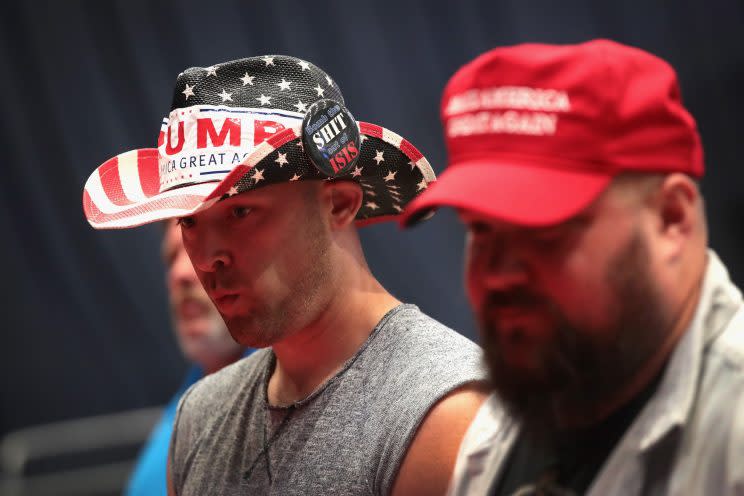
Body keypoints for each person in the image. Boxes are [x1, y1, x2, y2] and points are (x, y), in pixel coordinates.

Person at [83, 55, 486, 495]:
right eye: (190, 223)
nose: (207, 258)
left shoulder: (442, 411)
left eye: (240, 211)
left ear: (338, 205)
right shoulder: (200, 415)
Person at [402, 39, 744, 495]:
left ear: (671, 218)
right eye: (481, 230)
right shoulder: (505, 423)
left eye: (545, 231)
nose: (500, 273)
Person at [125, 219, 252, 496]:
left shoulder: (285, 388)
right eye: (172, 258)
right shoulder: (190, 395)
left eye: (199, 251)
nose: (180, 273)